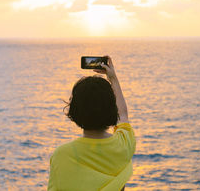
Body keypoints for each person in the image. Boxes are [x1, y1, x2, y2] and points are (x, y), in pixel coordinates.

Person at [48, 56, 136, 191]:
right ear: (112, 110)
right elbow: (123, 114)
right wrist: (113, 78)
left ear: (75, 111)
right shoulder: (123, 145)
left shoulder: (61, 155)